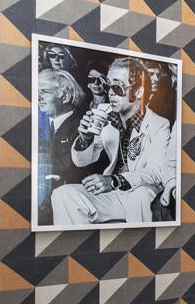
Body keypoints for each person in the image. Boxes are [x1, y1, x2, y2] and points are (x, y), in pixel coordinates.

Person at [51, 57, 172, 224]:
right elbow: (82, 161)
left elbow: (156, 172)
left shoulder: (159, 124)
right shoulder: (105, 113)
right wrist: (85, 139)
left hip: (141, 191)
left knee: (141, 195)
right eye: (108, 86)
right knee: (63, 194)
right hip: (114, 195)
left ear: (138, 92)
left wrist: (115, 181)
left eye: (117, 87)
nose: (110, 93)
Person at [36, 68, 87, 225]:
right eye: (37, 91)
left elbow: (68, 166)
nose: (38, 97)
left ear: (65, 97)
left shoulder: (81, 126)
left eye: (44, 91)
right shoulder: (41, 125)